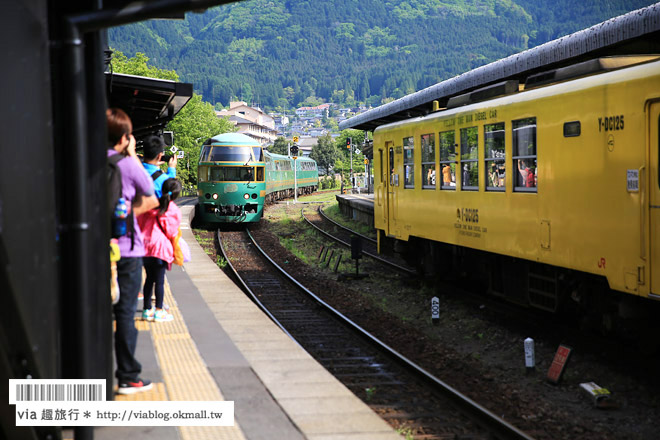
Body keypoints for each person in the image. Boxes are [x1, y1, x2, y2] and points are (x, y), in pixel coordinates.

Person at [107, 108, 159, 395]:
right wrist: (132, 154)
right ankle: (127, 375)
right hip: (125, 249)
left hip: (93, 247)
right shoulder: (127, 165)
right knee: (124, 311)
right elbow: (150, 195)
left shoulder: (86, 159)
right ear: (125, 138)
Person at [138, 178, 183, 323]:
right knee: (159, 281)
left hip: (145, 248)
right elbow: (171, 232)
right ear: (176, 195)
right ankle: (158, 311)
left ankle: (146, 310)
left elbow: (140, 223)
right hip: (161, 249)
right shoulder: (173, 210)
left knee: (149, 280)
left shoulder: (151, 205)